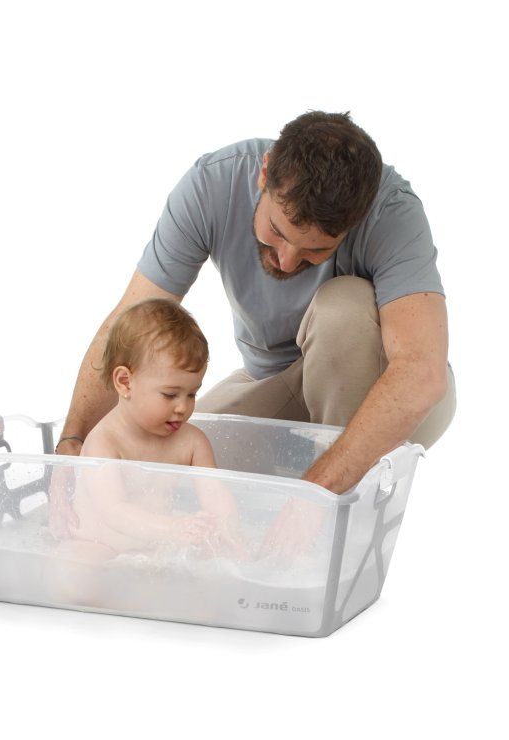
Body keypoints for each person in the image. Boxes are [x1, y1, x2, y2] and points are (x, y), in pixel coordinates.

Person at [53, 110, 456, 555]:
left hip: (388, 392)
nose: (286, 261)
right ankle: (304, 485)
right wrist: (72, 445)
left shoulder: (393, 212)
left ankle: (340, 514)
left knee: (342, 307)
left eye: (316, 250)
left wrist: (317, 494)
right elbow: (130, 323)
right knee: (172, 468)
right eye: (277, 233)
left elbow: (421, 372)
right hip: (277, 381)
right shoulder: (213, 184)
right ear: (264, 174)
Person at [54, 298, 239, 573]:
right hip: (99, 544)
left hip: (154, 546)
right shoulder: (104, 442)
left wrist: (231, 538)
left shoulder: (192, 442)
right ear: (125, 382)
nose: (183, 407)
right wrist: (174, 528)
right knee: (74, 573)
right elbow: (113, 510)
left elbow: (216, 497)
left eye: (192, 394)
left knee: (206, 571)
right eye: (170, 394)